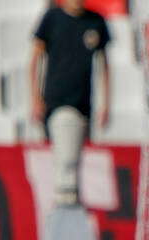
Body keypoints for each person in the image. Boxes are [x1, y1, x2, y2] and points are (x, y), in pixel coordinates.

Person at [30, 0, 111, 206]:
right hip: (57, 100)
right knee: (66, 158)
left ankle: (67, 200)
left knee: (74, 156)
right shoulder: (52, 19)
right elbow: (35, 58)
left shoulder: (95, 21)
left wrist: (106, 103)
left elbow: (104, 65)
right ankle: (64, 201)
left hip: (84, 101)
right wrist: (36, 98)